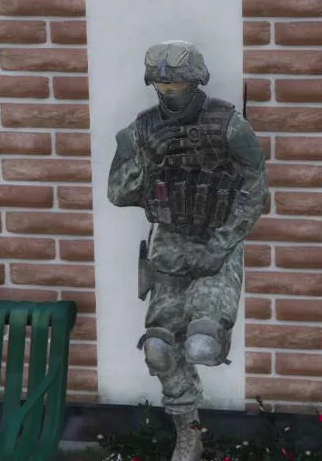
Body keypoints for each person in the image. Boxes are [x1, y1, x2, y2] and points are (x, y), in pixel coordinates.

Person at [107, 40, 267, 461]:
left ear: (195, 81)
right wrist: (144, 156)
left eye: (177, 82)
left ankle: (208, 358)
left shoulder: (229, 125)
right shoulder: (143, 128)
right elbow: (119, 194)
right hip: (170, 245)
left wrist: (224, 242)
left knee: (202, 344)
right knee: (159, 350)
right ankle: (189, 433)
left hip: (216, 242)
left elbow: (255, 192)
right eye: (162, 84)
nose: (169, 91)